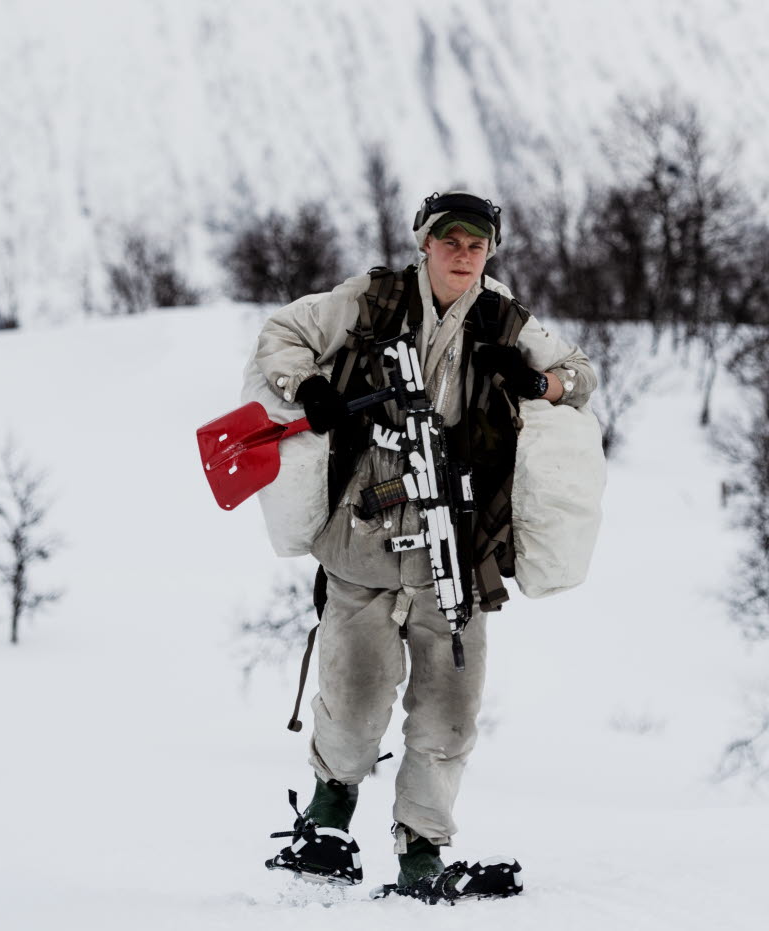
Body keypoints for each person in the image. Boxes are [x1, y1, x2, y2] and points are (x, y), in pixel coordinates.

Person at [253, 191, 597, 902]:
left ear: (490, 252)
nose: (463, 255)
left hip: (461, 545)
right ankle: (328, 813)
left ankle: (421, 845)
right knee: (353, 692)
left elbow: (581, 376)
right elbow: (284, 334)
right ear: (426, 243)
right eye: (451, 241)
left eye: (477, 244)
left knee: (449, 708)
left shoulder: (505, 318)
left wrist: (539, 381)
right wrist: (308, 385)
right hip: (365, 532)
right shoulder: (371, 301)